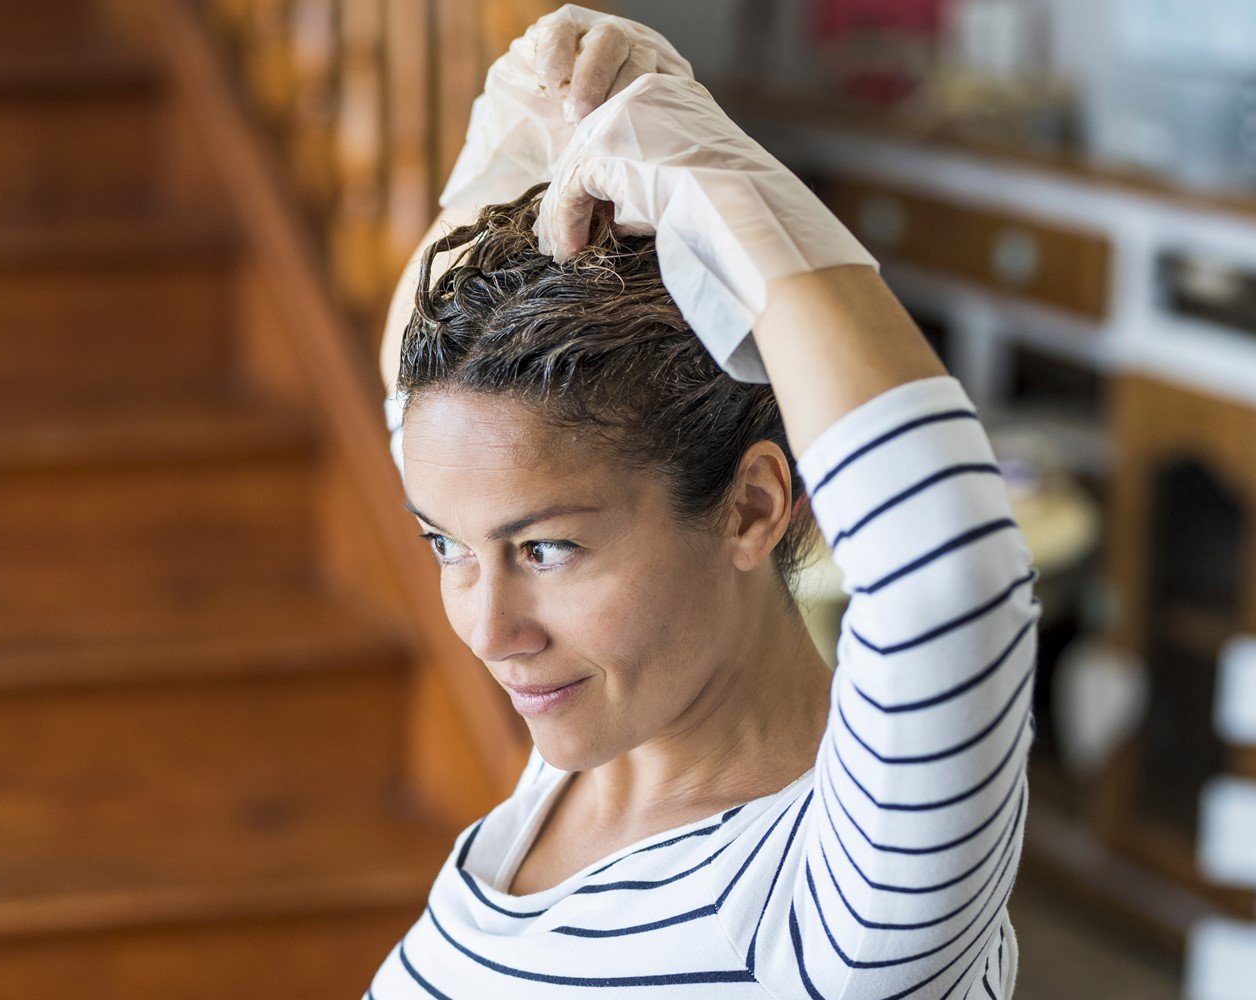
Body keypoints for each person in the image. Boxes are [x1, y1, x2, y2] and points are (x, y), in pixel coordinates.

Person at [364, 7, 1037, 997]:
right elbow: (435, 420)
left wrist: (720, 178)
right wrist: (524, 126)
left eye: (546, 550)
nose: (488, 628)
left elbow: (950, 571)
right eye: (447, 546)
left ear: (754, 506)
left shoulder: (839, 911)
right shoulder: (595, 758)